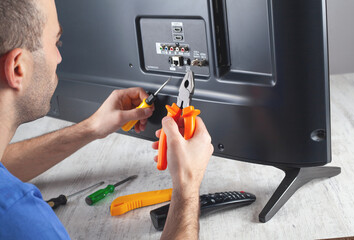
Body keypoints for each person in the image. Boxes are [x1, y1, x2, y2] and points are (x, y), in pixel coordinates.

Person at [0, 0, 214, 239]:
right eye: (55, 42)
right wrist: (187, 188)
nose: (59, 57)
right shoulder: (22, 222)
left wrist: (91, 128)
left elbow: (4, 166)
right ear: (18, 68)